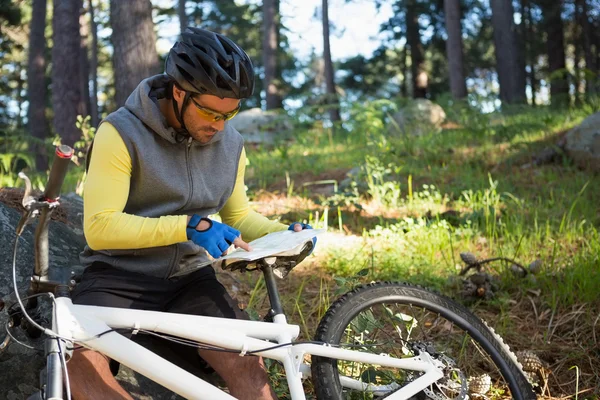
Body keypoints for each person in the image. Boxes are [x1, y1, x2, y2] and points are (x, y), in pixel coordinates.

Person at [69, 27, 312, 400]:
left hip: (189, 280)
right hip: (117, 276)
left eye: (229, 115)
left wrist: (284, 232)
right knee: (82, 371)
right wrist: (186, 226)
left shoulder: (231, 144)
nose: (218, 126)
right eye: (210, 112)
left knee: (248, 363)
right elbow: (100, 227)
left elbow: (240, 216)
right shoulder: (119, 133)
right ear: (179, 92)